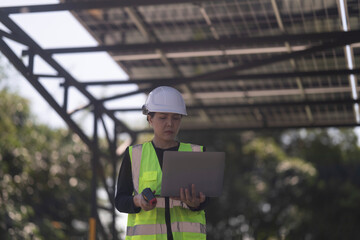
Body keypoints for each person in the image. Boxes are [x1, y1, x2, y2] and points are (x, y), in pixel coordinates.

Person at [115, 86, 209, 240]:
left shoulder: (196, 153)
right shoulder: (134, 155)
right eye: (163, 117)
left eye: (176, 118)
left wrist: (195, 203)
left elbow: (206, 199)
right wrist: (137, 200)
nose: (170, 124)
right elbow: (120, 201)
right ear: (150, 119)